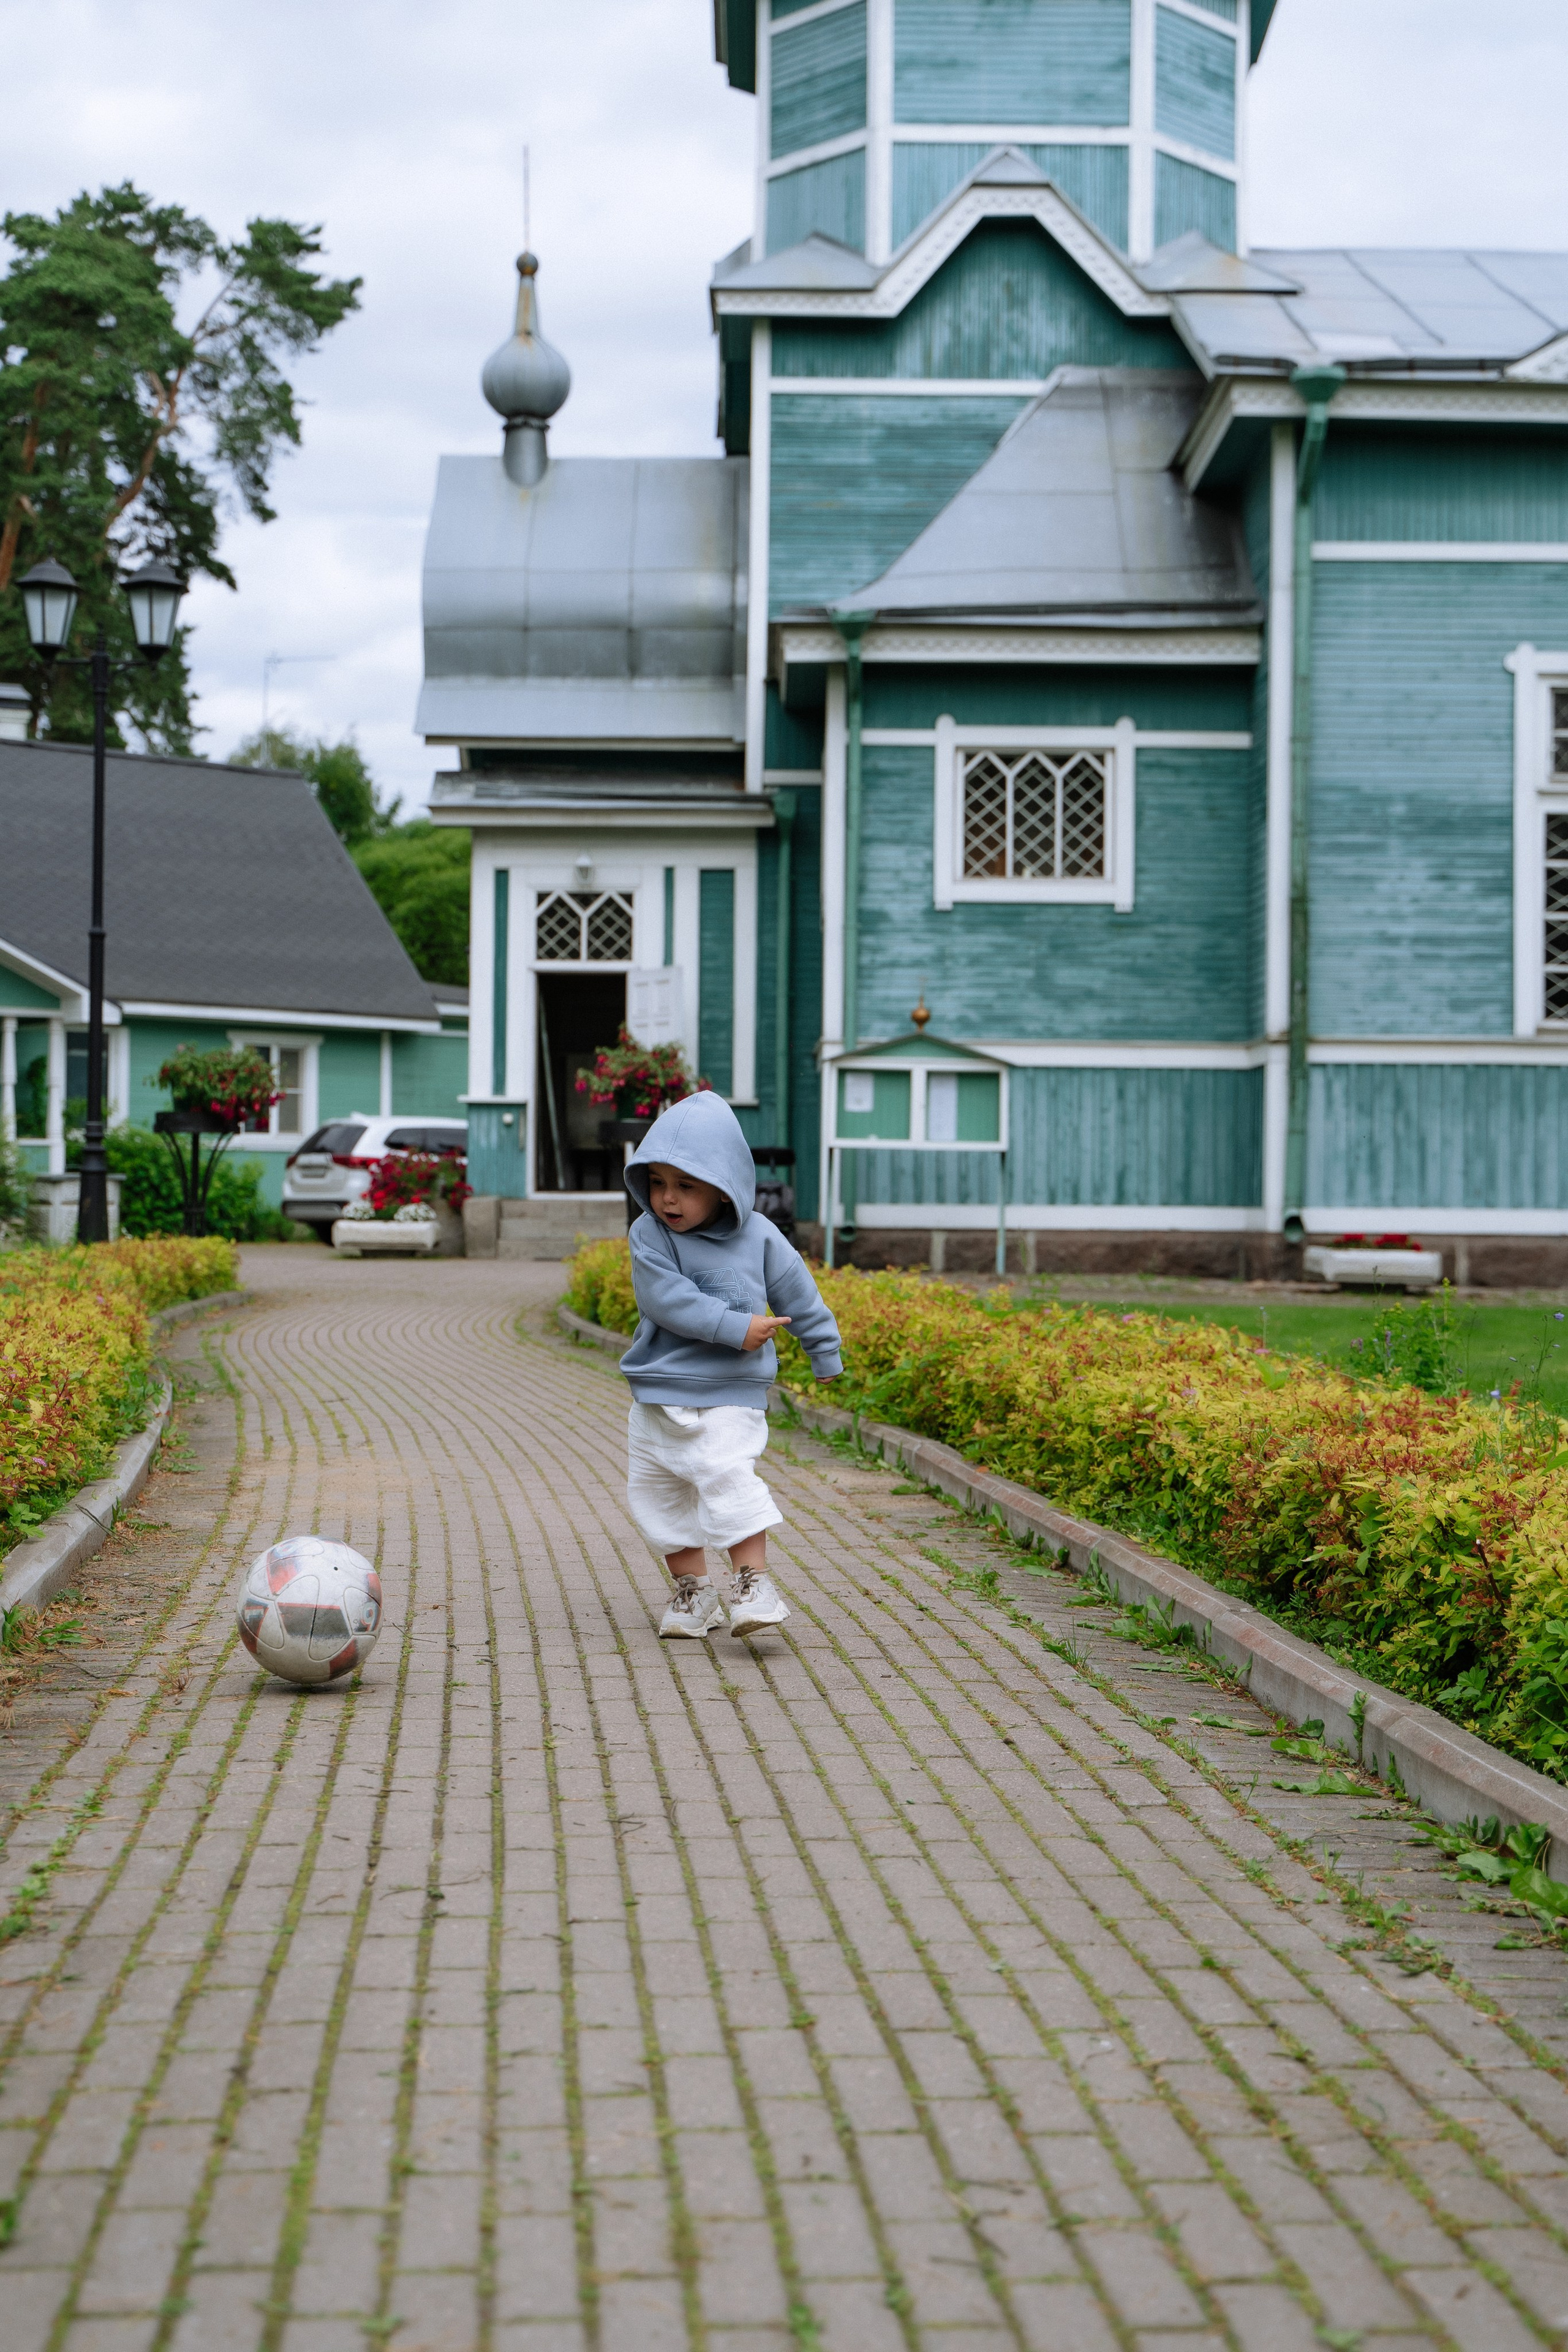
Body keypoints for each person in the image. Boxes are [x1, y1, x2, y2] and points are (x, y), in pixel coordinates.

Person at [619, 1089, 843, 1640]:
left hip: (730, 1390)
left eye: (686, 1186)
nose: (668, 1199)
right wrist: (737, 1327)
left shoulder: (760, 1236)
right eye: (658, 1183)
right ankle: (694, 1593)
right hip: (658, 1389)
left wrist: (823, 1349)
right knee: (657, 1492)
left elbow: (798, 1292)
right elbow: (664, 1299)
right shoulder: (650, 1235)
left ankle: (752, 1581)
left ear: (724, 1187)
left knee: (725, 1474)